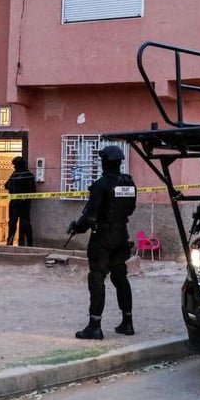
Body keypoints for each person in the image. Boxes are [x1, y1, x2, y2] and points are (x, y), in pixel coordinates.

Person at [67, 146, 137, 340]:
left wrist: (77, 227)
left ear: (105, 162)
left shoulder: (101, 185)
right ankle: (128, 322)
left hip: (103, 238)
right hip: (121, 235)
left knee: (97, 279)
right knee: (120, 278)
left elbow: (90, 216)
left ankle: (94, 326)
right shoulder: (129, 183)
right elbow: (131, 209)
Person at [5, 156, 37, 246]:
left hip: (21, 203)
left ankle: (27, 244)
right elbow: (6, 185)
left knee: (23, 223)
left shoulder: (25, 175)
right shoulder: (16, 174)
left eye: (15, 165)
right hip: (18, 203)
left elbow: (33, 190)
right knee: (16, 223)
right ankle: (12, 243)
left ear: (19, 165)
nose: (14, 167)